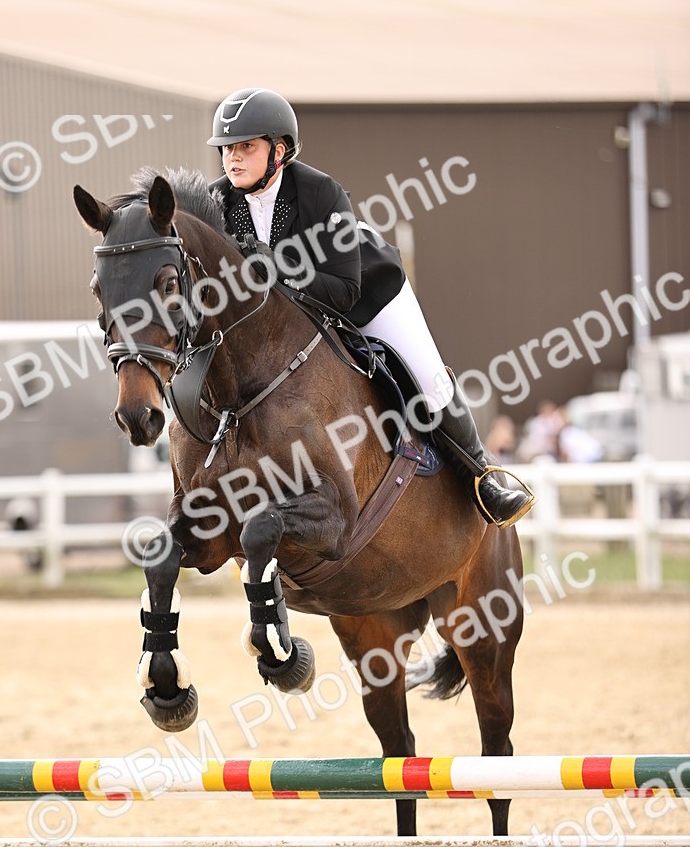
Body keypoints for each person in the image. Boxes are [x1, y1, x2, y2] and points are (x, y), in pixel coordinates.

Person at [207, 87, 535, 528]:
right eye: (228, 148)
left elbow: (343, 289)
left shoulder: (322, 193)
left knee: (427, 378)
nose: (233, 158)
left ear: (279, 151)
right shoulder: (217, 204)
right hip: (289, 321)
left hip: (367, 297)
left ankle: (483, 476)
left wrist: (277, 268)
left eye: (246, 146)